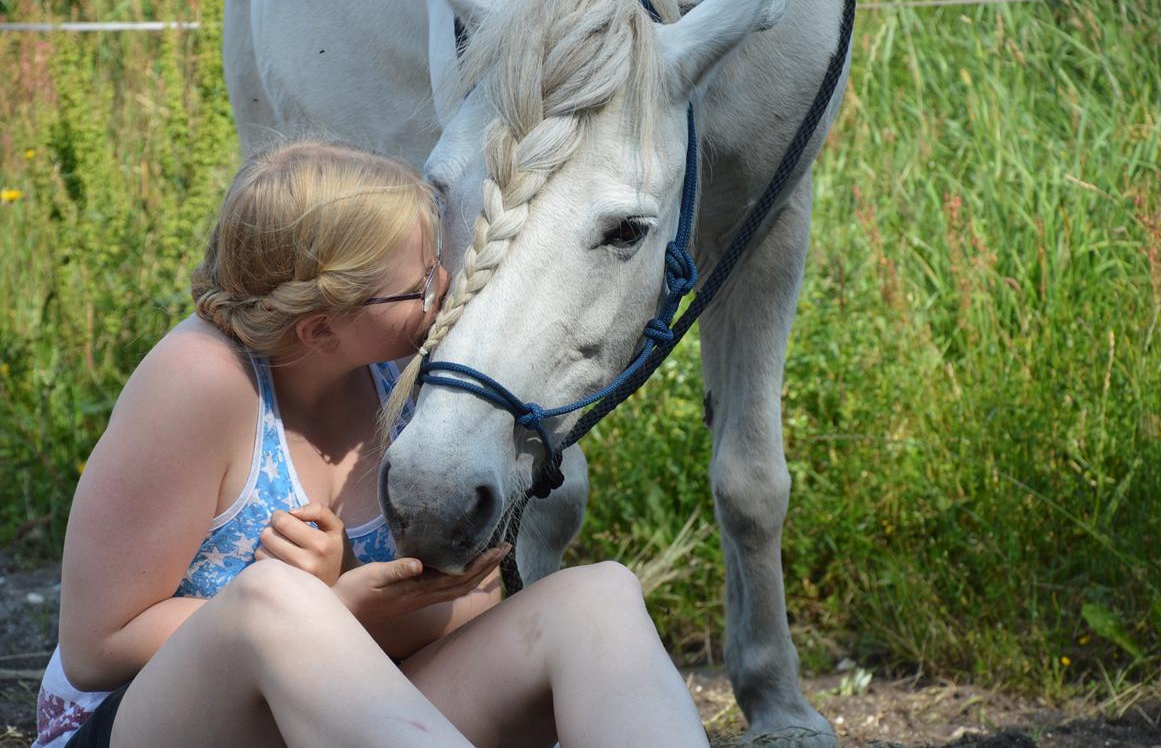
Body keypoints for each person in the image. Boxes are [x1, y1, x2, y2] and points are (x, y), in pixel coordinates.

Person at [33, 141, 708, 748]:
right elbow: (99, 647)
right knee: (275, 599)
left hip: (350, 720)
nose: (446, 291)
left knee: (597, 598)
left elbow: (474, 602)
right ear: (321, 331)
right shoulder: (200, 382)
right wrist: (331, 607)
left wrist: (353, 599)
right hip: (150, 726)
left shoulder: (405, 370)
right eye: (419, 283)